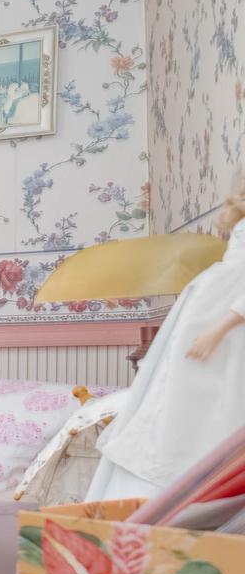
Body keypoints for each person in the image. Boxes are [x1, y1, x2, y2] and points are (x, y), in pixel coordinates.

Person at [89, 182, 245, 499]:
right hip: (210, 312)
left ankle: (202, 482)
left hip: (226, 322)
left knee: (214, 400)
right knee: (181, 397)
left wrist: (221, 327)